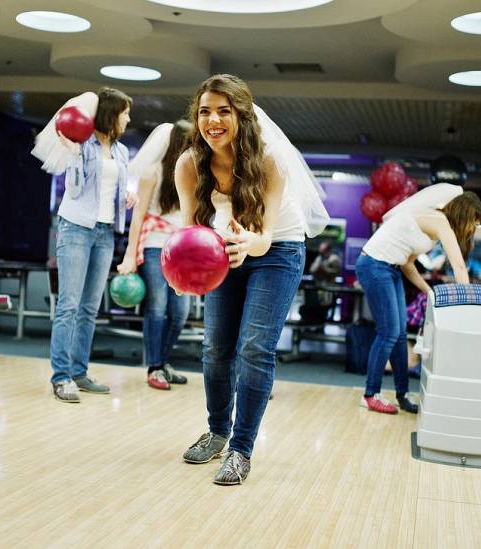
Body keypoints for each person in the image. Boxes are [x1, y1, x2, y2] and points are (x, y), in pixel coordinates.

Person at [174, 74, 329, 485]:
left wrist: (248, 246)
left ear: (241, 116)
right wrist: (180, 272)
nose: (213, 120)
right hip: (224, 249)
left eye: (224, 111)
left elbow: (263, 237)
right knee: (215, 348)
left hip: (277, 248)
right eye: (205, 111)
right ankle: (217, 431)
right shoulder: (189, 164)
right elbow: (188, 230)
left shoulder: (269, 160)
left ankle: (241, 448)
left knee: (254, 348)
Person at [31, 87, 136, 404]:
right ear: (111, 114)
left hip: (105, 232)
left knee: (90, 308)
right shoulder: (83, 143)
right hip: (76, 228)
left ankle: (79, 372)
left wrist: (128, 198)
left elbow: (115, 191)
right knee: (69, 306)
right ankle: (61, 377)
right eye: (125, 113)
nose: (128, 119)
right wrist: (73, 154)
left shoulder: (120, 152)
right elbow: (74, 189)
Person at [356, 183, 481, 414]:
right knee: (388, 333)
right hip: (373, 264)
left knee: (400, 334)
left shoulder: (435, 231)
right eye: (472, 222)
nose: (471, 228)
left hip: (391, 268)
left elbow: (407, 263)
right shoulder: (438, 221)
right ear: (464, 212)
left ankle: (402, 394)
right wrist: (468, 305)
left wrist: (429, 291)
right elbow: (459, 266)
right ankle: (370, 395)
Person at [116, 120, 193, 390]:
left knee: (180, 312)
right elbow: (137, 218)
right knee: (157, 308)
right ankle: (154, 367)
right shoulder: (153, 173)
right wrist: (129, 256)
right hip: (154, 246)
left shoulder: (193, 173)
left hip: (181, 251)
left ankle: (164, 361)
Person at [300, 241, 342, 323]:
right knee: (314, 307)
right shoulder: (319, 258)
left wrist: (324, 268)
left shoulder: (334, 259)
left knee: (325, 307)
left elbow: (336, 271)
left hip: (329, 288)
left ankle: (321, 324)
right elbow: (312, 270)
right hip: (318, 287)